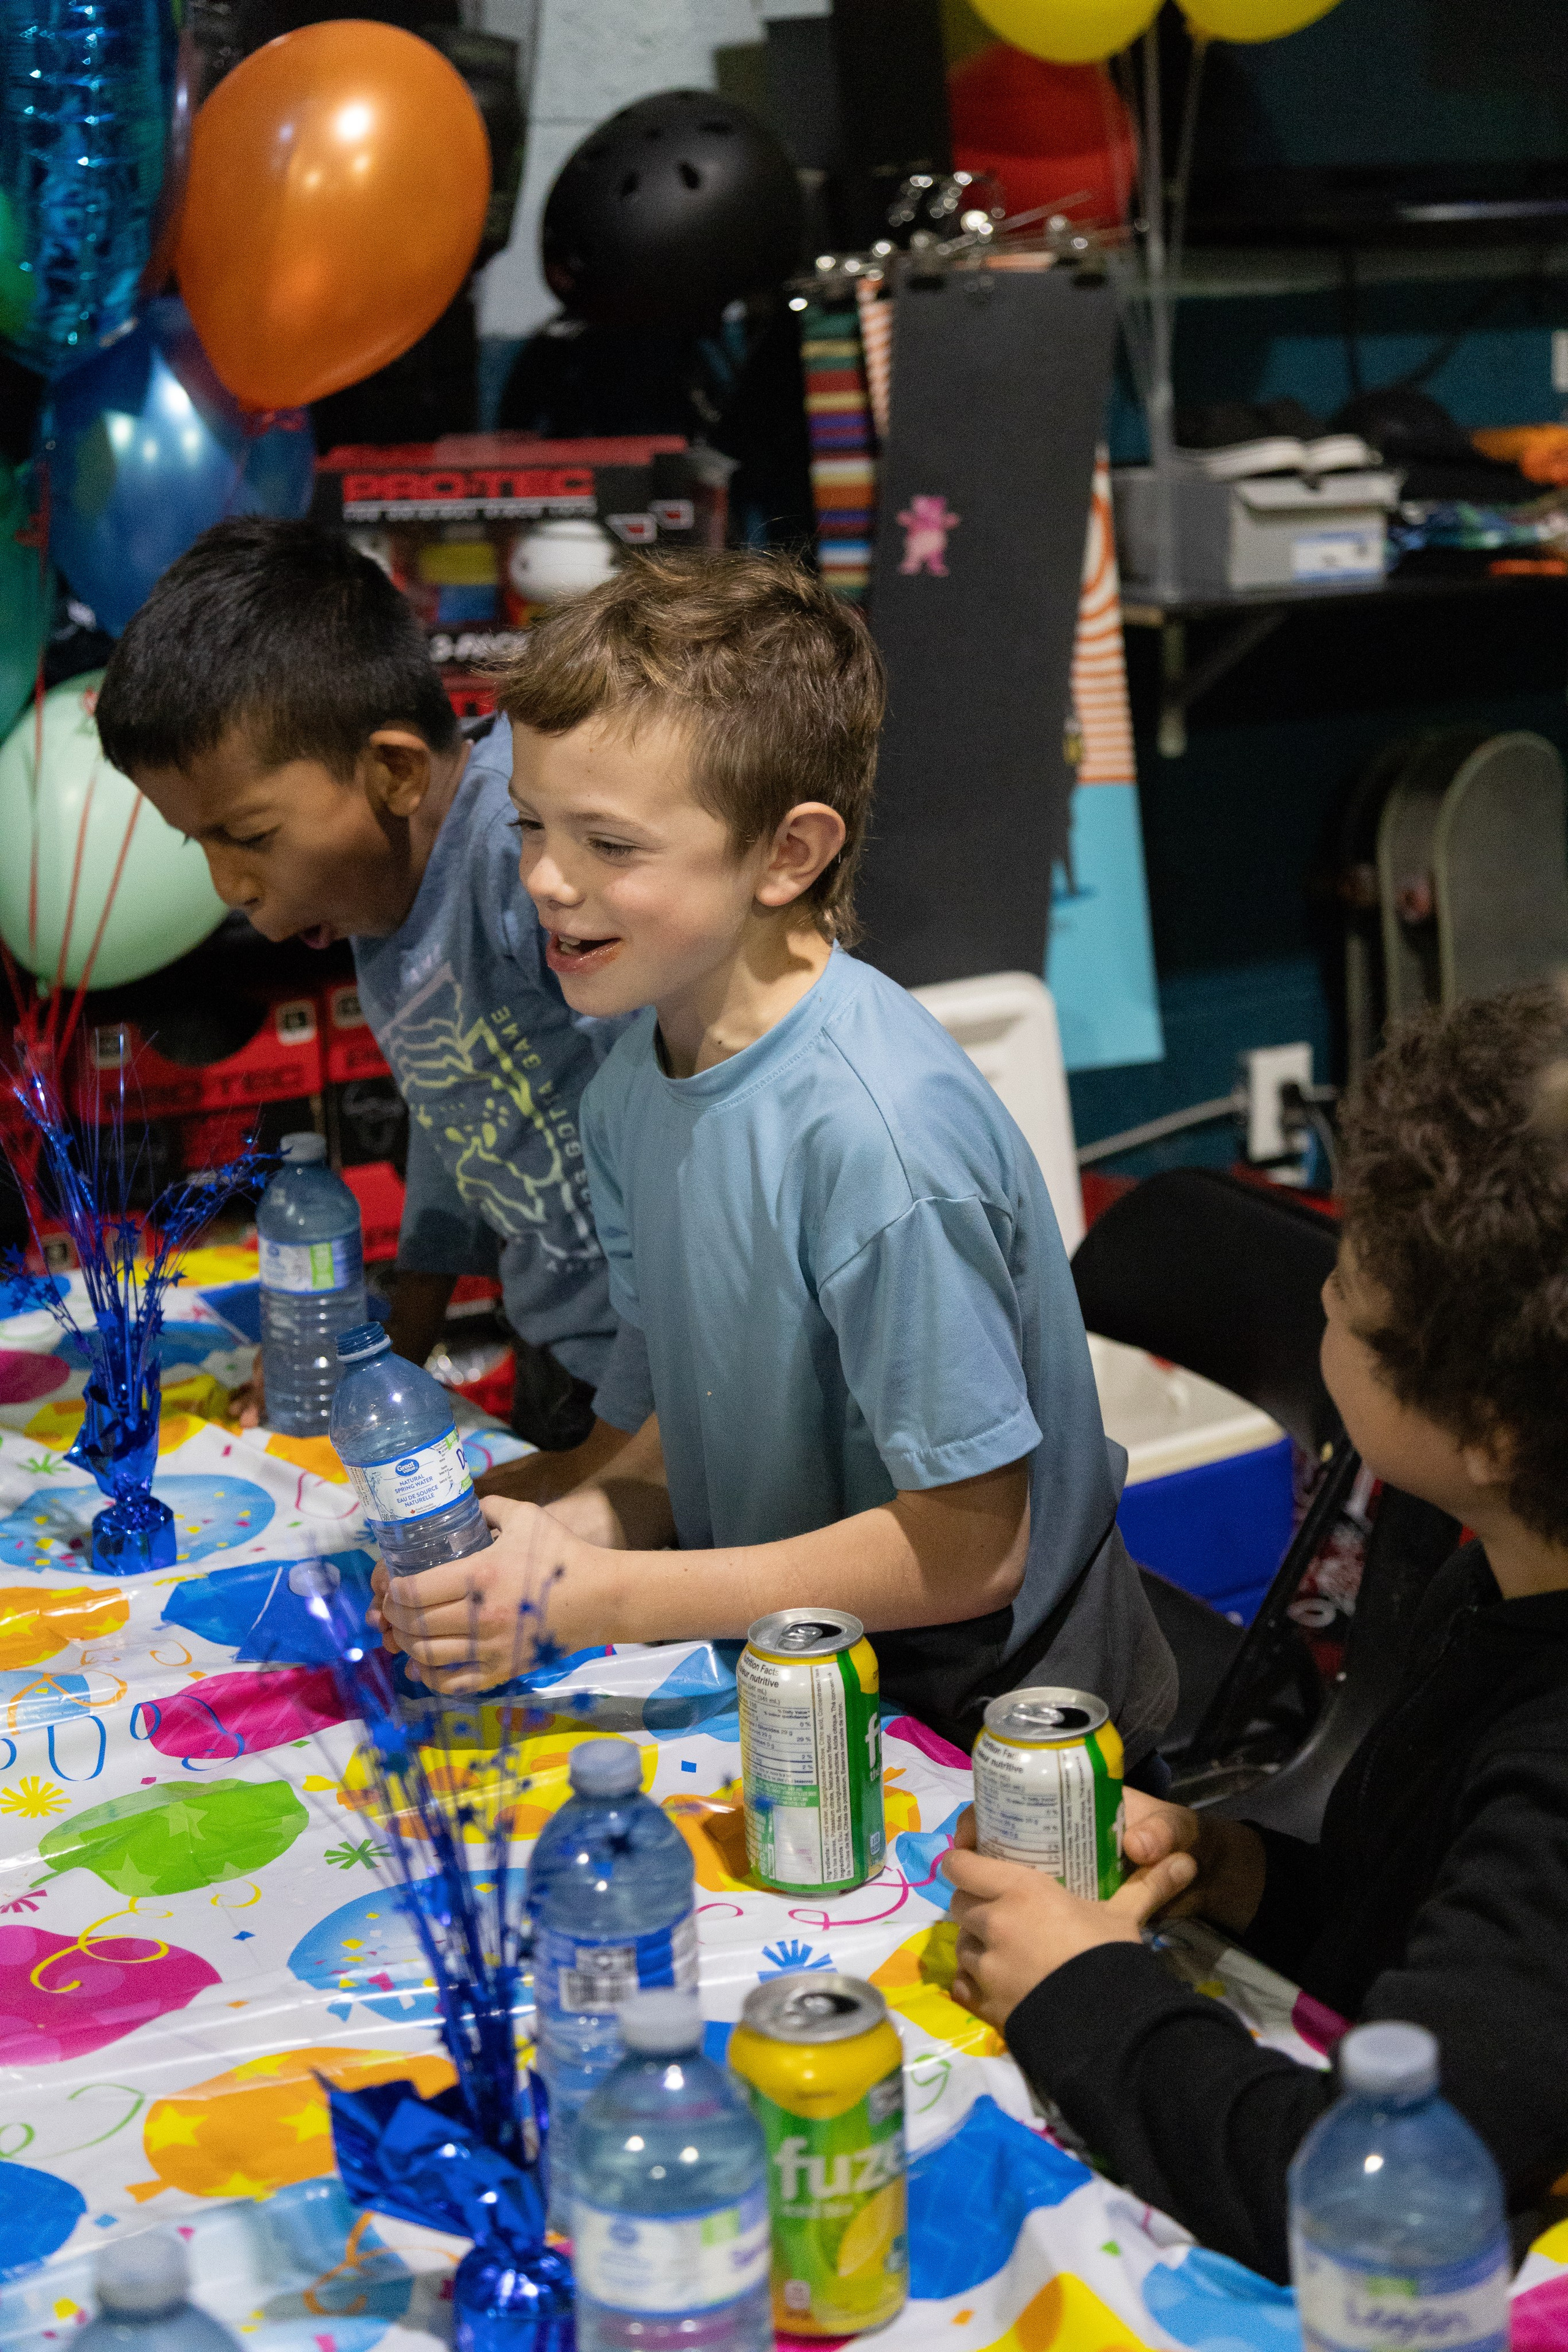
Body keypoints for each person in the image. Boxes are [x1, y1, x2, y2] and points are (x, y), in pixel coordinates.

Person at [374, 549, 1176, 1760]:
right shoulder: (632, 1082)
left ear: (788, 854)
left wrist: (607, 1598)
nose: (543, 879)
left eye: (609, 844)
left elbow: (973, 1546)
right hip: (801, 1676)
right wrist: (546, 1537)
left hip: (998, 1718)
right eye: (531, 825)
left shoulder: (878, 1138)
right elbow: (667, 1433)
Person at [941, 982, 1568, 2283]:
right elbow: (1442, 1948)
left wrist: (1078, 1993)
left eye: (1348, 1294)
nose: (1322, 1299)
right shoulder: (1504, 1579)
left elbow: (1370, 2195)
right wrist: (1236, 1873)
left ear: (1490, 1434)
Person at [94, 518, 651, 1485]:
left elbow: (680, 1158)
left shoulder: (528, 860)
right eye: (200, 844)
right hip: (570, 1367)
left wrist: (617, 1466)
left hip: (668, 1398)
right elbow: (459, 1101)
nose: (230, 886)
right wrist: (397, 1335)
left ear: (393, 772)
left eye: (249, 836)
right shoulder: (384, 897)